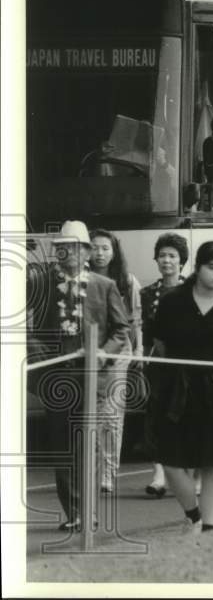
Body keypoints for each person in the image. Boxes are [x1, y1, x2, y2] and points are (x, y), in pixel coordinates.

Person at [27, 220, 130, 531]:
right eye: (61, 248)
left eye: (73, 248)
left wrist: (102, 352)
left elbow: (121, 329)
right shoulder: (41, 282)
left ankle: (90, 511)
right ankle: (73, 512)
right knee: (63, 444)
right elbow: (25, 325)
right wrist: (43, 355)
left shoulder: (104, 285)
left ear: (86, 252)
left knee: (88, 443)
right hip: (56, 376)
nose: (67, 253)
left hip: (92, 377)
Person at [146, 241, 213, 534]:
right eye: (211, 267)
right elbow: (160, 345)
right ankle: (193, 515)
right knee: (170, 459)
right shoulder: (173, 301)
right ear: (198, 268)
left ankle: (208, 528)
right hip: (176, 386)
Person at [88, 228, 141, 493]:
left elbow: (134, 321)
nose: (99, 253)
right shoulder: (80, 278)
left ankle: (108, 473)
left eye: (105, 248)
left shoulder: (126, 281)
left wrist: (139, 349)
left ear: (114, 251)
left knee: (111, 415)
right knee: (90, 414)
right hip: (88, 351)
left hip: (118, 352)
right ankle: (91, 470)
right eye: (94, 247)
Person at [138, 232, 189, 498]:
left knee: (184, 417)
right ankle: (159, 474)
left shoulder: (192, 290)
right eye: (162, 255)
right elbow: (145, 333)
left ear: (182, 261)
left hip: (185, 364)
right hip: (157, 363)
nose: (166, 260)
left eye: (172, 256)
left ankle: (187, 473)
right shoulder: (147, 293)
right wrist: (143, 362)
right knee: (156, 417)